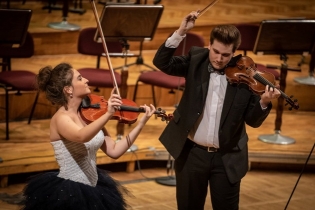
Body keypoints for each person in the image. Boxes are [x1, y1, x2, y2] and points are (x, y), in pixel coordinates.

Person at [153, 11, 281, 210]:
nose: (219, 59)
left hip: (227, 158)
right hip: (192, 155)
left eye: (226, 55)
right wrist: (180, 32)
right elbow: (162, 63)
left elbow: (252, 121)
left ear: (235, 52)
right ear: (209, 46)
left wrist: (264, 101)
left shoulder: (246, 77)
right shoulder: (197, 59)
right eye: (216, 51)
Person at [21, 63, 156, 210]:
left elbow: (114, 151)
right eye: (80, 78)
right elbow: (81, 136)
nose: (86, 80)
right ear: (68, 89)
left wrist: (141, 124)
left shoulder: (89, 115)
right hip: (70, 191)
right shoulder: (61, 118)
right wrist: (108, 113)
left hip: (94, 186)